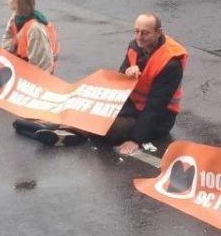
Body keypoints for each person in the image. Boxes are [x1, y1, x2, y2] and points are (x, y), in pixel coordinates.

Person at [14, 13, 188, 156]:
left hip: (159, 119)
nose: (139, 37)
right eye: (136, 31)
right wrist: (126, 72)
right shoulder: (135, 45)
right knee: (94, 108)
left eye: (145, 33)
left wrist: (135, 140)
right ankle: (64, 129)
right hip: (133, 106)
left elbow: (155, 107)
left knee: (110, 128)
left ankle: (66, 129)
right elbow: (119, 79)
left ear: (159, 32)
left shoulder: (170, 63)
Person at [2, 0, 59, 73]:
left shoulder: (35, 29)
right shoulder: (15, 18)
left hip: (33, 74)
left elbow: (42, 63)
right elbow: (7, 45)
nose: (8, 0)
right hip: (21, 66)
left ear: (18, 3)